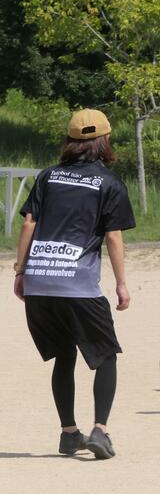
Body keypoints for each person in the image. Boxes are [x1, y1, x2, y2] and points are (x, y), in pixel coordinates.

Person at [12, 108, 134, 460]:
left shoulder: (49, 176)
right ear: (105, 140)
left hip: (39, 281)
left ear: (70, 141)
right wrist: (122, 283)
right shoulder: (109, 182)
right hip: (77, 285)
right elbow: (112, 236)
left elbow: (28, 225)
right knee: (106, 355)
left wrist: (21, 272)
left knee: (64, 357)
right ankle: (101, 431)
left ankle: (68, 434)